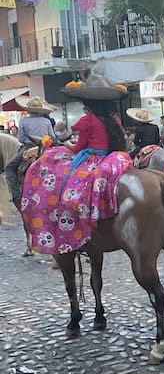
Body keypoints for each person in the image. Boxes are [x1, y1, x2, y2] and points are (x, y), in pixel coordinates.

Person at [19, 77, 132, 255]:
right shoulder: (114, 120)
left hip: (92, 158)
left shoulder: (88, 120)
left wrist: (67, 145)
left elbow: (79, 147)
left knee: (61, 181)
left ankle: (61, 217)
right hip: (114, 158)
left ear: (87, 103)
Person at [4, 95, 57, 206]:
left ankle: (16, 195)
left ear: (28, 109)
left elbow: (21, 139)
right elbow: (52, 137)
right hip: (45, 148)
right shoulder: (46, 121)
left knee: (9, 168)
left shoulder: (24, 121)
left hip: (28, 147)